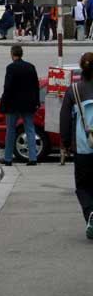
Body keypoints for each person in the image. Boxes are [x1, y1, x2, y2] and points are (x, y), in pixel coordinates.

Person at [60, 53, 93, 238]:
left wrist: (65, 144)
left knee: (83, 186)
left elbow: (65, 120)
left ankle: (90, 213)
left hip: (83, 146)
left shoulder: (73, 90)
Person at [0, 44, 40, 166]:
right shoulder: (30, 67)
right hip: (28, 104)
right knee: (30, 129)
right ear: (21, 54)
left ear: (12, 54)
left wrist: (3, 103)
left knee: (10, 130)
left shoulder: (10, 68)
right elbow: (36, 86)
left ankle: (8, 158)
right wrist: (36, 102)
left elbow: (7, 87)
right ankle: (33, 158)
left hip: (13, 105)